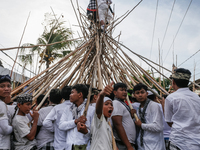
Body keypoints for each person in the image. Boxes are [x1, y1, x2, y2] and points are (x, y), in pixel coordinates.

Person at [165, 68, 200, 150]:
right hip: (196, 142)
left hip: (178, 142)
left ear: (173, 82)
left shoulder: (171, 98)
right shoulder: (197, 97)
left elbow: (169, 121)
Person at [59, 84, 95, 150]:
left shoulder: (91, 110)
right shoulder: (68, 109)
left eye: (72, 93)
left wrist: (86, 131)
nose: (70, 95)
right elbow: (61, 125)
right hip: (70, 146)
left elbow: (95, 132)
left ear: (80, 94)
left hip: (84, 146)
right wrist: (75, 121)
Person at [134, 83, 165, 150]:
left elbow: (158, 127)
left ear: (147, 94)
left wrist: (141, 125)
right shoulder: (139, 108)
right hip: (142, 145)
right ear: (134, 95)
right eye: (137, 93)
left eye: (142, 92)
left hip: (155, 145)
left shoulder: (154, 106)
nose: (140, 95)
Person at [43, 86, 72, 150]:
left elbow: (46, 122)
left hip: (59, 144)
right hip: (71, 145)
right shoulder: (76, 108)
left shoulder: (58, 108)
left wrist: (55, 129)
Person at [111, 83, 136, 150]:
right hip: (123, 144)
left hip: (126, 144)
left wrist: (131, 116)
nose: (124, 92)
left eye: (125, 90)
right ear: (115, 92)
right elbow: (117, 124)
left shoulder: (122, 104)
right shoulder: (116, 103)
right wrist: (128, 146)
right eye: (121, 90)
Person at [90, 82, 114, 150]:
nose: (110, 106)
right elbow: (98, 110)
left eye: (111, 104)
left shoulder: (108, 123)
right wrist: (101, 95)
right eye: (106, 104)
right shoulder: (99, 120)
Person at [0, 75, 13, 150]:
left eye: (9, 86)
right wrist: (15, 126)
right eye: (2, 86)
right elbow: (5, 129)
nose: (6, 89)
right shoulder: (1, 105)